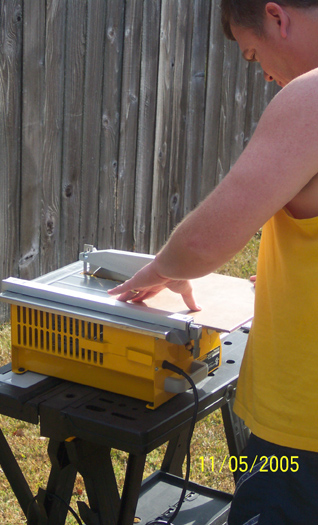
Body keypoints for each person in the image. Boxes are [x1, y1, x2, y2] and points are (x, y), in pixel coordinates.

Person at [109, 1, 318, 523]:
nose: (267, 76)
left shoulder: (311, 98)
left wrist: (162, 269)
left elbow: (203, 244)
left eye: (254, 56)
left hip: (302, 426)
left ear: (277, 16)